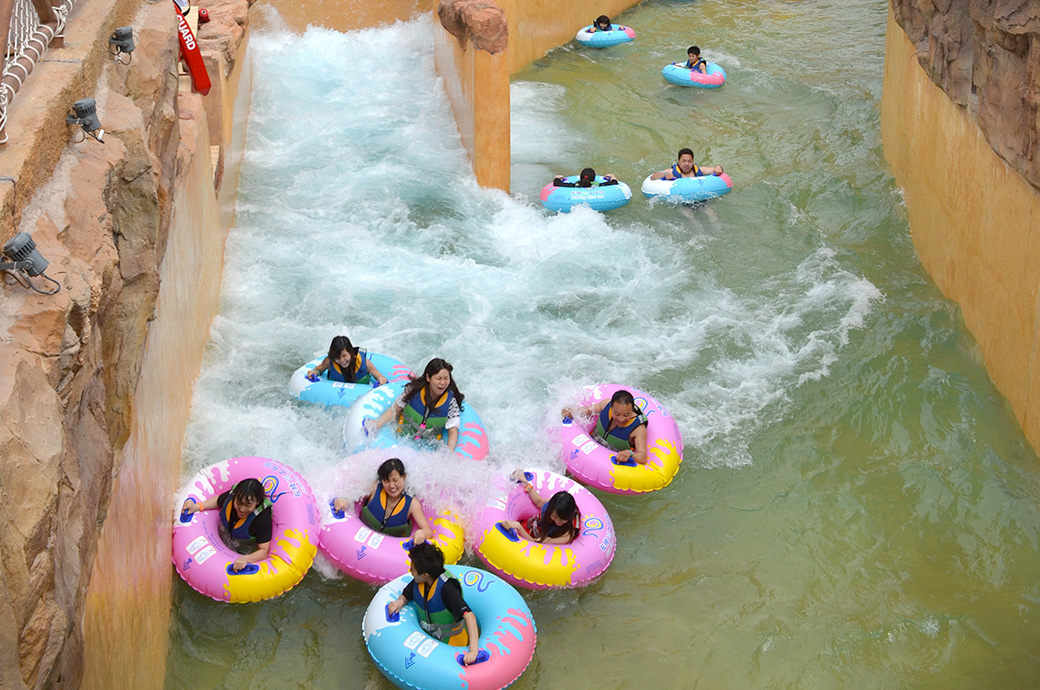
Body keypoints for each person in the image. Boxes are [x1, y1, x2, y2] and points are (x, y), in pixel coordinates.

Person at [386, 542, 481, 664]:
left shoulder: (448, 590)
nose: (410, 571)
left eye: (413, 569)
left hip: (451, 646)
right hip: (428, 638)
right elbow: (406, 595)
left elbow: (469, 616)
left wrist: (473, 652)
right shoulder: (419, 582)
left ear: (425, 575)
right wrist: (399, 603)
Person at [368, 358, 465, 451]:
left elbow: (453, 432)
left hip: (428, 445)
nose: (443, 383)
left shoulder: (451, 402)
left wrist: (449, 452)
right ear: (428, 377)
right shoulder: (413, 390)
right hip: (401, 436)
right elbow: (394, 410)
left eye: (446, 378)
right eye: (439, 378)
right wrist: (378, 424)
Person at [332, 458, 434, 543]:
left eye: (395, 480)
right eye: (386, 481)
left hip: (388, 552)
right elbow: (353, 496)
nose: (392, 486)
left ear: (404, 477)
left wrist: (421, 533)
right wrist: (345, 500)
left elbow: (428, 530)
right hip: (358, 537)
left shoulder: (412, 504)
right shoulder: (374, 488)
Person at [181, 478, 272, 571]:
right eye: (239, 503)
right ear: (235, 497)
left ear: (257, 502)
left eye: (248, 505)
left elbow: (263, 551)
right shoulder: (232, 496)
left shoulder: (262, 518)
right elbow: (218, 500)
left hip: (246, 547)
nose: (242, 509)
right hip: (225, 535)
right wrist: (197, 506)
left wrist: (245, 559)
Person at [563, 389, 649, 464]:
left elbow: (642, 457)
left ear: (632, 411)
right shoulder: (606, 404)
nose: (621, 419)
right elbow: (589, 410)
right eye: (617, 414)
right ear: (612, 408)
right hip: (591, 444)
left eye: (626, 415)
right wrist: (573, 412)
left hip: (610, 461)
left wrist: (629, 453)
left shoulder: (638, 429)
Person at [502, 471, 581, 544]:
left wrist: (518, 527)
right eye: (554, 517)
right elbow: (539, 502)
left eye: (562, 519)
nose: (557, 522)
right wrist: (525, 482)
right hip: (531, 525)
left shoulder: (566, 535)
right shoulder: (555, 505)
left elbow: (535, 543)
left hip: (529, 537)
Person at [306, 335, 389, 385]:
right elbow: (318, 370)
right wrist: (314, 372)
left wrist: (381, 380)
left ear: (351, 352)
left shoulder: (365, 364)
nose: (342, 360)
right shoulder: (329, 362)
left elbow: (380, 376)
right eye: (337, 357)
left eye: (344, 355)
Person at [650, 148, 724, 180]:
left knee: (711, 212)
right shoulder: (672, 171)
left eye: (689, 161)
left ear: (693, 162)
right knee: (688, 213)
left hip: (700, 198)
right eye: (684, 161)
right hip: (682, 202)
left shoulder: (699, 170)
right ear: (678, 161)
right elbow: (653, 176)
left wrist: (718, 167)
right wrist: (664, 175)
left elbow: (715, 169)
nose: (686, 164)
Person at [553, 167, 619, 188]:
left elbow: (556, 183)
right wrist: (612, 176)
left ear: (581, 178)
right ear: (593, 178)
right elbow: (614, 182)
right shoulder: (597, 185)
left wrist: (557, 177)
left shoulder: (575, 185)